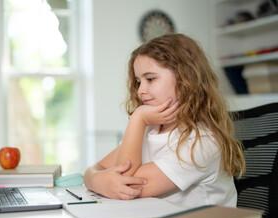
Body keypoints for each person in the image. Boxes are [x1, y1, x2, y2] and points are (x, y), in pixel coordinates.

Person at [84, 33, 246, 207]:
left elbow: (126, 186)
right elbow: (95, 168)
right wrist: (96, 179)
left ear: (185, 78)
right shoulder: (150, 130)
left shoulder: (202, 142)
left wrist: (138, 118)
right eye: (138, 81)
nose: (140, 90)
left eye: (150, 79)